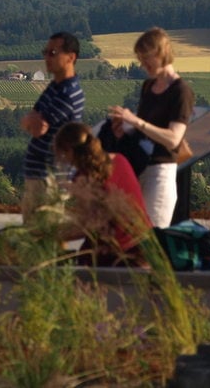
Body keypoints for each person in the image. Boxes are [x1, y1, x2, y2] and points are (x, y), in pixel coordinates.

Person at [107, 27, 195, 228]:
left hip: (161, 171)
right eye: (140, 58)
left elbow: (173, 139)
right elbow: (145, 129)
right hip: (139, 166)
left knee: (152, 237)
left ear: (160, 54)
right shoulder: (148, 86)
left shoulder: (181, 91)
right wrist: (125, 127)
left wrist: (136, 121)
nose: (142, 64)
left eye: (146, 58)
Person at [54, 122, 153, 266]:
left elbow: (85, 226)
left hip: (114, 251)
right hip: (144, 245)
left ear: (69, 150)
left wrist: (51, 234)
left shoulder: (83, 179)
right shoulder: (120, 160)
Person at [20, 31, 85, 222]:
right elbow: (31, 120)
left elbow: (37, 127)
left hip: (50, 179)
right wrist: (32, 120)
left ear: (71, 57)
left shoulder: (68, 93)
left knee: (44, 240)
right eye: (45, 52)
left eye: (53, 53)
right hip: (39, 176)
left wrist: (32, 120)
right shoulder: (55, 87)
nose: (46, 57)